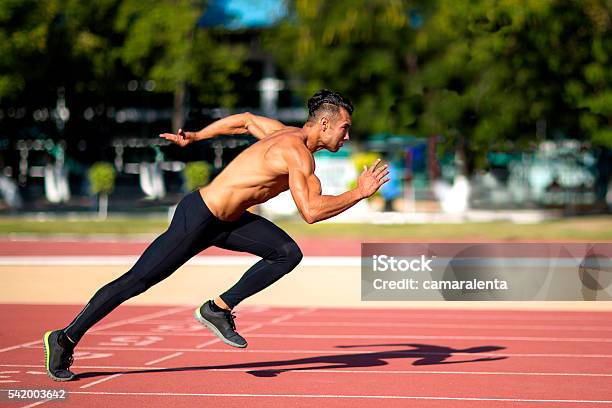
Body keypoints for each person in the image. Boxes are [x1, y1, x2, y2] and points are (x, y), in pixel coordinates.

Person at [43, 89, 389, 381]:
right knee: (137, 280)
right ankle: (65, 337)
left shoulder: (282, 133)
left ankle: (218, 308)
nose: (346, 136)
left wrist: (197, 136)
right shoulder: (295, 152)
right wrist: (359, 193)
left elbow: (245, 119)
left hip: (230, 221)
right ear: (324, 123)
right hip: (199, 217)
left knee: (287, 252)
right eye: (344, 129)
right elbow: (311, 212)